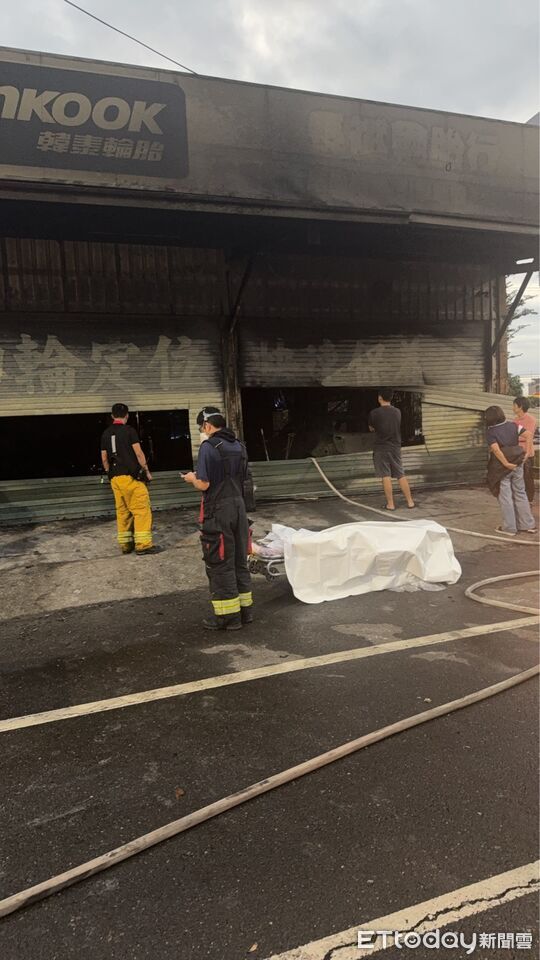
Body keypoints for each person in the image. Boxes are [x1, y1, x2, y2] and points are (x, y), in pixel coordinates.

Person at [182, 408, 253, 630]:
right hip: (239, 508)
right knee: (239, 560)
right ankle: (245, 612)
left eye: (201, 428)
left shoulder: (208, 447)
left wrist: (192, 478)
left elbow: (204, 484)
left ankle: (228, 618)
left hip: (219, 510)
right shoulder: (240, 446)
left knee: (220, 562)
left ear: (207, 426)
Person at [101, 403, 157, 555]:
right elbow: (139, 454)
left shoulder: (105, 433)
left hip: (115, 479)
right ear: (127, 415)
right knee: (141, 510)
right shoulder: (129, 431)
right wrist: (146, 471)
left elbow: (104, 458)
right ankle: (143, 545)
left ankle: (126, 545)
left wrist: (109, 473)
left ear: (112, 416)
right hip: (131, 477)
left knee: (123, 511)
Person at [485, 405, 536, 536]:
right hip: (518, 463)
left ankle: (510, 528)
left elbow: (496, 450)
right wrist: (527, 453)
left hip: (502, 468)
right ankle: (528, 525)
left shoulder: (491, 432)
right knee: (520, 493)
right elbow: (529, 435)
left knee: (505, 497)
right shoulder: (513, 425)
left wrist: (506, 464)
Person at [368, 388, 415, 511]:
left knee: (385, 475)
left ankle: (391, 504)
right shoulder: (397, 412)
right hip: (395, 447)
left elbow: (371, 428)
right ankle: (410, 502)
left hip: (381, 447)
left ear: (379, 398)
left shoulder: (374, 413)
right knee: (400, 474)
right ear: (391, 398)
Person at [513, 396, 536, 503]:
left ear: (520, 407)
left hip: (527, 452)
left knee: (527, 477)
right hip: (517, 451)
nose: (513, 408)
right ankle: (521, 498)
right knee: (518, 477)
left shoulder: (530, 419)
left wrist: (519, 436)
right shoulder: (515, 420)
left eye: (514, 405)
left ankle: (530, 499)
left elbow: (529, 435)